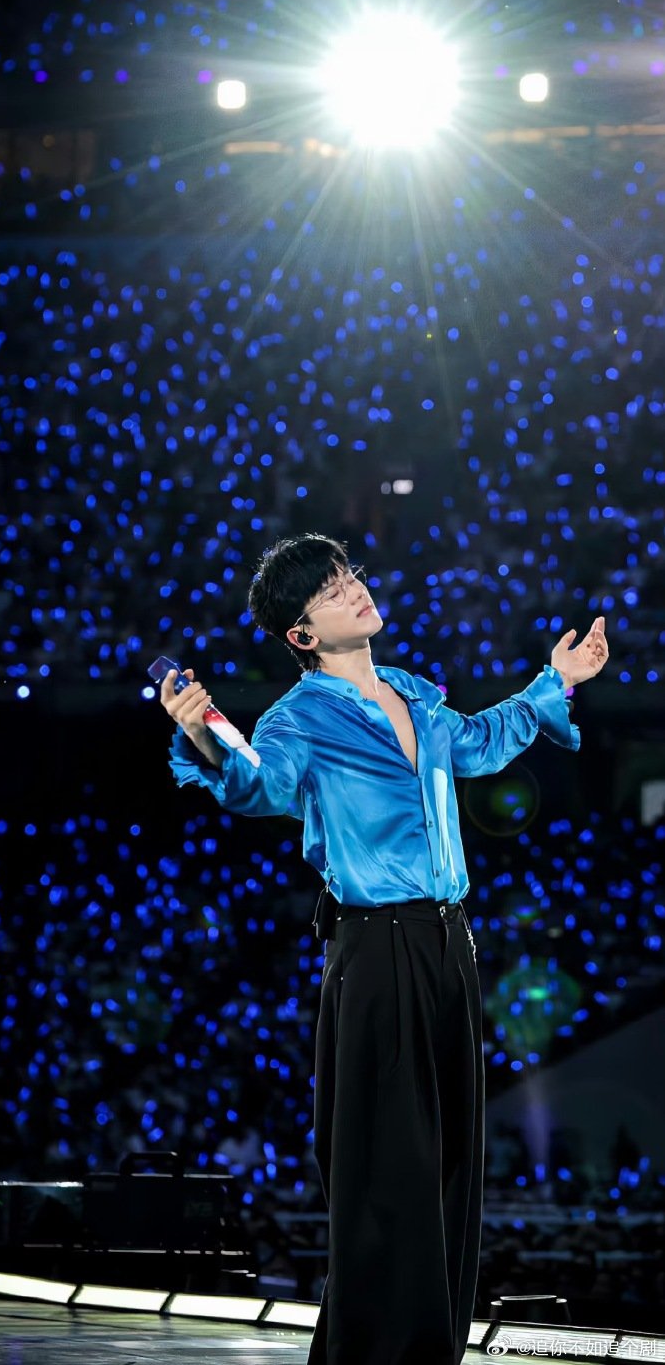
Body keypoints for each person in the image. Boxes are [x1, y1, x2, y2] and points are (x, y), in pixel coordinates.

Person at [160, 532, 609, 1365]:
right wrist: (205, 736)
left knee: (450, 1163)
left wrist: (559, 681)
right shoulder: (297, 718)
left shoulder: (413, 694)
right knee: (388, 1167)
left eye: (350, 575)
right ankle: (374, 1351)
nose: (354, 589)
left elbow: (481, 741)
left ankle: (430, 1347)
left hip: (450, 944)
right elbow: (260, 782)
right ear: (301, 634)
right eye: (330, 590)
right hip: (377, 948)